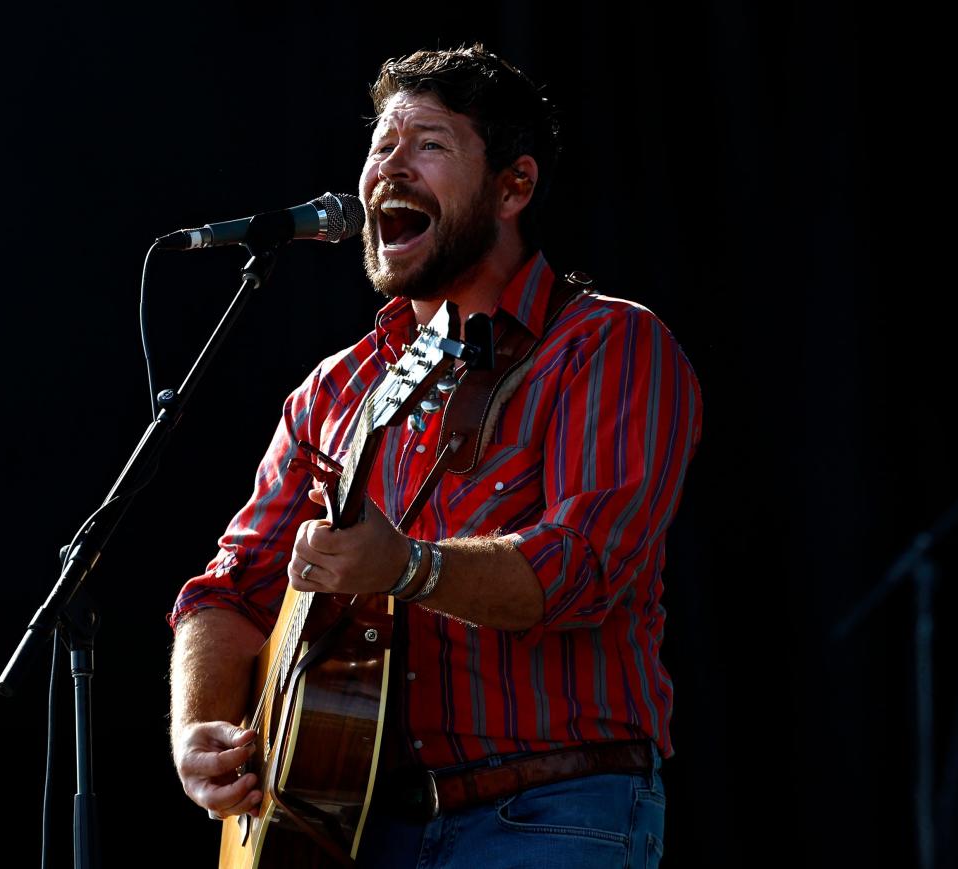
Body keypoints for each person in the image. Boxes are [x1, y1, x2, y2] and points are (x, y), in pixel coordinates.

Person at [168, 44, 702, 868]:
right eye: (381, 146)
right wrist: (197, 726)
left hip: (550, 811)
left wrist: (407, 567)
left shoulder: (606, 342)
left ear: (512, 187)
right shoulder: (334, 389)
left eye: (429, 145)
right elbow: (229, 587)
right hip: (346, 826)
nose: (389, 167)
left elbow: (584, 565)